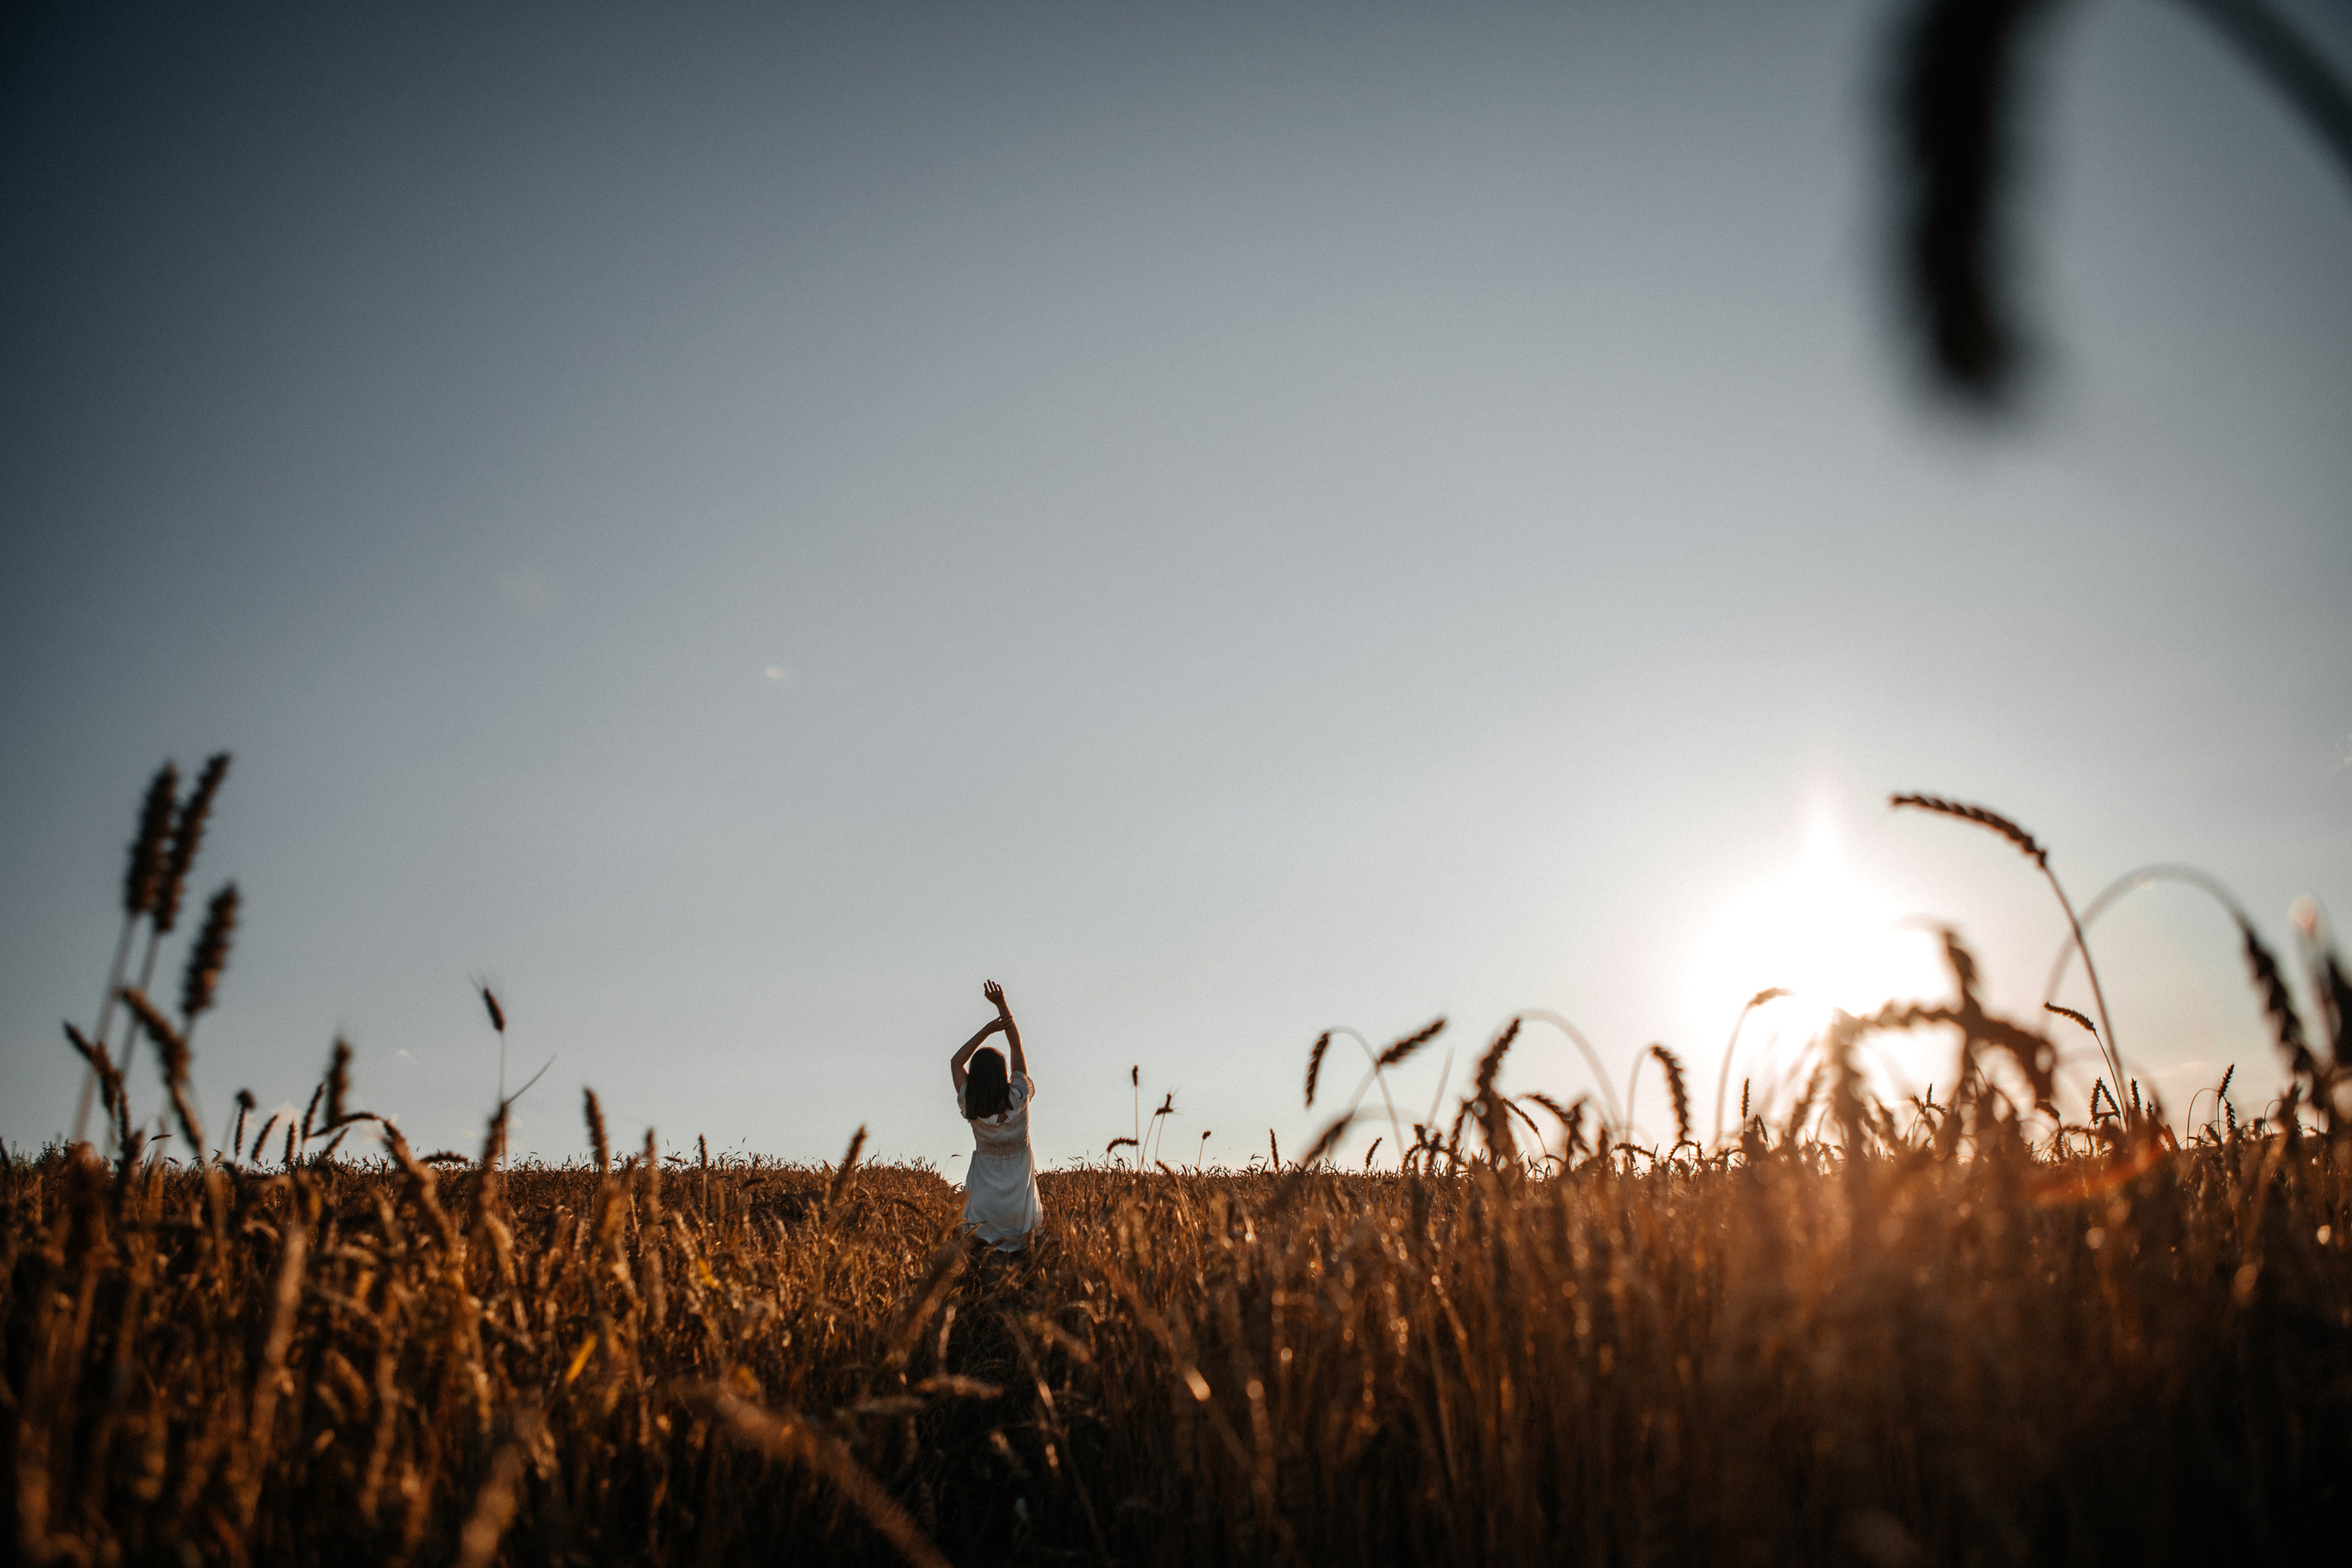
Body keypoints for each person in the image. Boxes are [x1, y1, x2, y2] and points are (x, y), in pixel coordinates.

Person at [950, 979, 1043, 1252]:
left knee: (981, 1251)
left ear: (975, 1076)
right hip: (1018, 1187)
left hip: (985, 1186)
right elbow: (1016, 1047)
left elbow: (956, 1061)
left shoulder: (971, 1102)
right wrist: (1002, 1004)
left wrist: (988, 1030)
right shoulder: (1018, 1096)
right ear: (1004, 1072)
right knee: (1024, 1252)